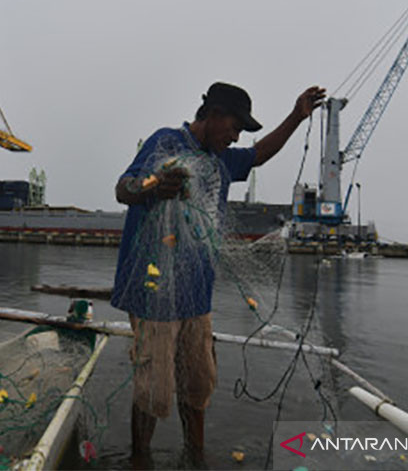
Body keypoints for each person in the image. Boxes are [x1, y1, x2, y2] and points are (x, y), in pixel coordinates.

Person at [111, 81, 325, 466]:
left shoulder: (222, 159)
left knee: (198, 384)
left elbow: (259, 154)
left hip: (197, 296)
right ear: (212, 115)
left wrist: (296, 116)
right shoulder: (167, 141)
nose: (236, 135)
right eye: (234, 126)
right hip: (153, 291)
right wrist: (154, 186)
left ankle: (196, 456)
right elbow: (123, 188)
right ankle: (139, 459)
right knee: (154, 390)